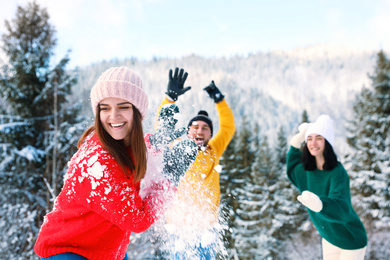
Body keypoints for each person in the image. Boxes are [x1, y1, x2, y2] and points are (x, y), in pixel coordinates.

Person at [34, 66, 197, 260]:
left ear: (137, 112)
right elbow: (138, 219)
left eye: (123, 106)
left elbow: (138, 151)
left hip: (103, 249)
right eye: (105, 108)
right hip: (68, 251)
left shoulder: (121, 144)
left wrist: (157, 140)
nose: (113, 115)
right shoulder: (97, 165)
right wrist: (168, 181)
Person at [157, 68, 236, 259]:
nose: (200, 131)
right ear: (187, 131)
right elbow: (162, 126)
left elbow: (228, 126)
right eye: (195, 127)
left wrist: (220, 101)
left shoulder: (214, 150)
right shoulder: (177, 147)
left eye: (205, 128)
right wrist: (170, 99)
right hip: (178, 227)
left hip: (206, 227)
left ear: (210, 134)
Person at [287, 115, 367, 260]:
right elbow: (292, 169)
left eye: (319, 138)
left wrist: (320, 204)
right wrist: (295, 143)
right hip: (329, 238)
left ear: (327, 142)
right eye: (309, 138)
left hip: (351, 239)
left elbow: (342, 207)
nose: (313, 143)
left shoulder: (337, 172)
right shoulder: (306, 171)